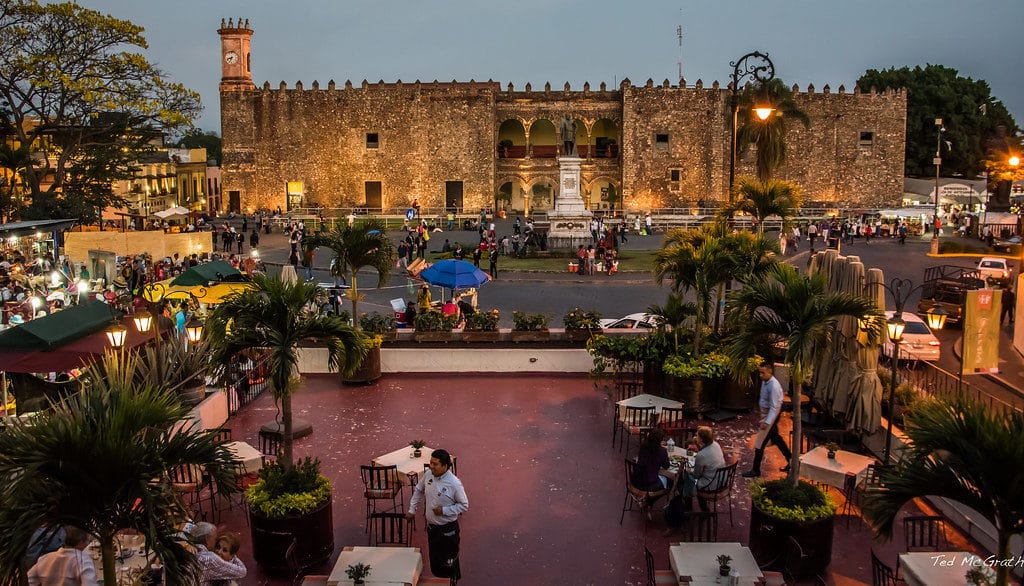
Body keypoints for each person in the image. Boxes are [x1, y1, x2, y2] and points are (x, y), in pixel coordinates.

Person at [406, 449, 468, 583]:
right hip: (432, 529)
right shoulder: (428, 475)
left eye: (435, 464)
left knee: (449, 562)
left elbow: (464, 505)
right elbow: (418, 490)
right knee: (436, 561)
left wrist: (444, 511)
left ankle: (452, 582)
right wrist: (412, 510)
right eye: (430, 463)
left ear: (445, 466)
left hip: (448, 531)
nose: (431, 466)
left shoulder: (454, 483)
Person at [744, 363, 792, 477]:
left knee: (759, 443)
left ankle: (756, 470)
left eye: (763, 373)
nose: (760, 375)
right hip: (766, 413)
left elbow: (774, 407)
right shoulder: (765, 382)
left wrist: (767, 422)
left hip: (771, 415)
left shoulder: (774, 386)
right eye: (759, 372)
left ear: (770, 372)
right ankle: (791, 460)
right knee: (776, 439)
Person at [27, 526, 96, 585]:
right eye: (88, 540)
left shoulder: (44, 559)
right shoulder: (83, 561)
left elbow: (27, 581)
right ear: (81, 542)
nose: (88, 543)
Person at [632, 428, 670, 492]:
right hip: (648, 484)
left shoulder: (643, 447)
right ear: (660, 440)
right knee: (670, 481)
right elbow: (666, 466)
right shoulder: (662, 451)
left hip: (636, 480)